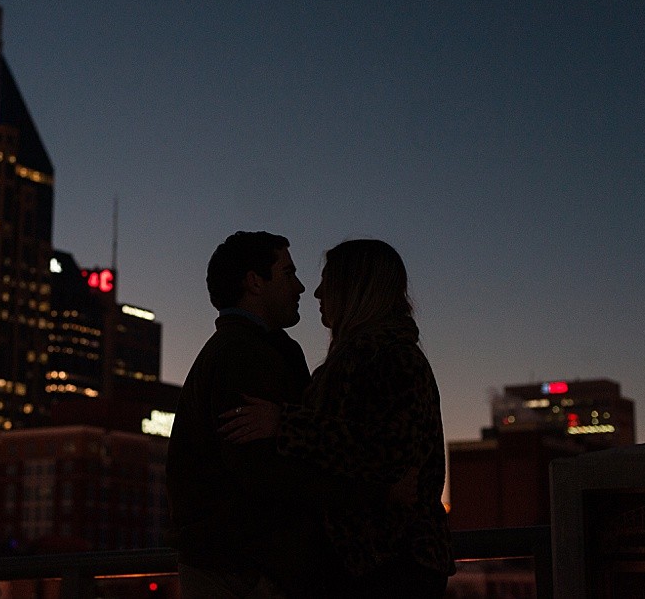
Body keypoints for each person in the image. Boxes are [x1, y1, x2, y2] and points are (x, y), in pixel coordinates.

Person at [220, 239, 455, 598]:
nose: (315, 292)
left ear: (354, 288)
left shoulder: (389, 357)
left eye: (327, 280)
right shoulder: (371, 356)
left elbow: (383, 451)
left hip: (385, 567)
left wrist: (285, 424)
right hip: (376, 564)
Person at [165, 231, 343, 598]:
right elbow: (261, 469)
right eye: (288, 273)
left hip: (233, 565)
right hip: (246, 573)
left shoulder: (239, 350)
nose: (301, 287)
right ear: (254, 282)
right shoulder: (244, 356)